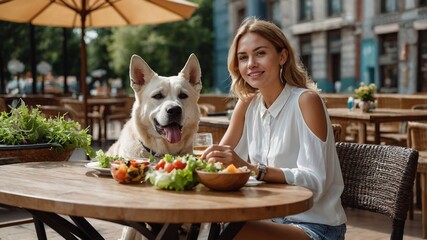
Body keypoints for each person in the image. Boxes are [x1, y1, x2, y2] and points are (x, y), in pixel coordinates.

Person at [201, 17, 347, 240]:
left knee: (221, 232)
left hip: (315, 226)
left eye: (260, 53)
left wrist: (253, 169)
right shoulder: (248, 103)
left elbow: (315, 183)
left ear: (282, 56)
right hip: (267, 218)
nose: (250, 63)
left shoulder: (306, 101)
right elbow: (216, 164)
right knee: (200, 226)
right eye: (243, 57)